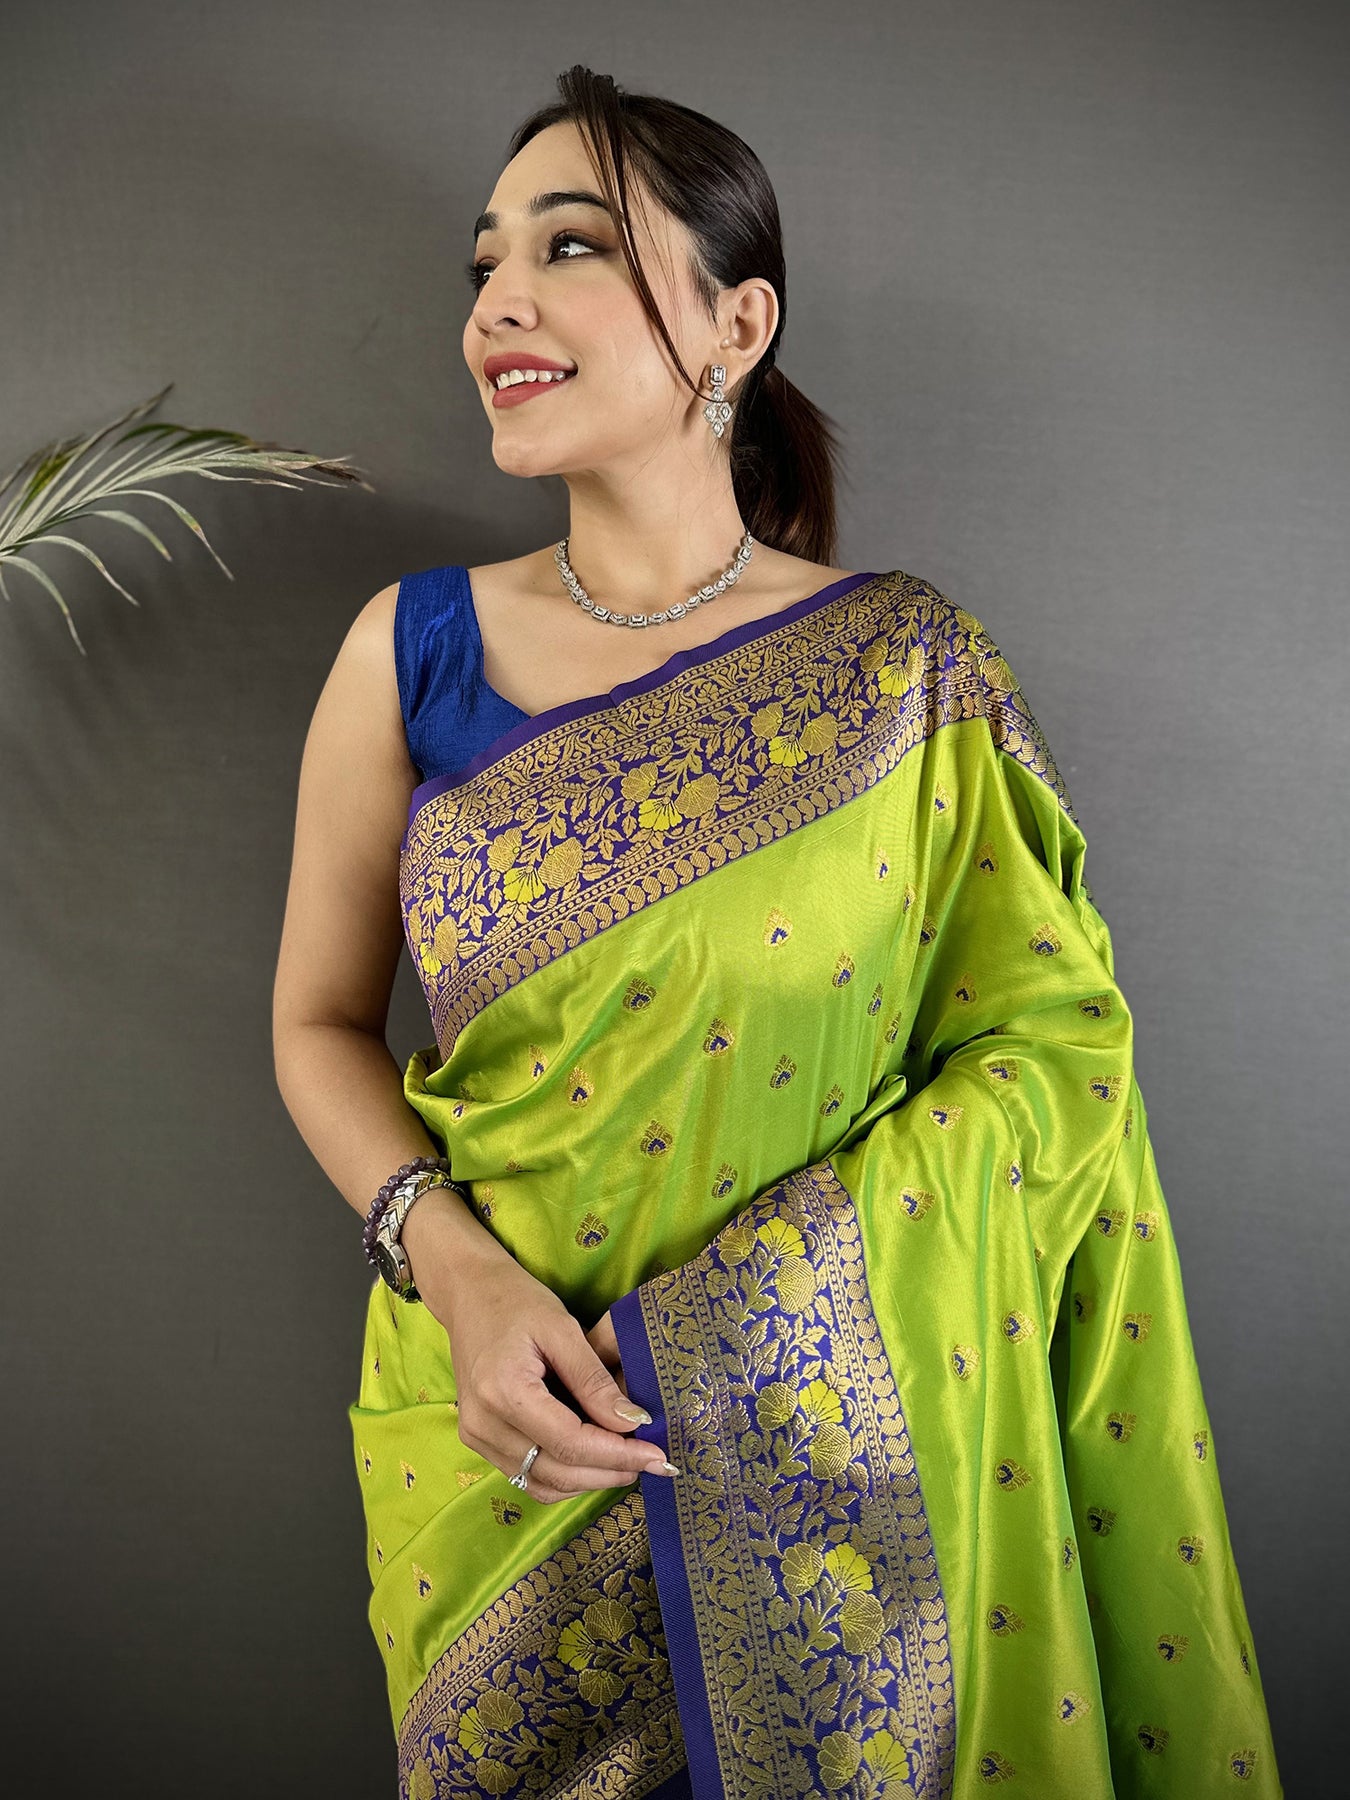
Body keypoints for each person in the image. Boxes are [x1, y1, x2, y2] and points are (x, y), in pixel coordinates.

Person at [273, 64, 1282, 1800]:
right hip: (502, 1443)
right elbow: (313, 1023)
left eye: (570, 246)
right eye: (483, 262)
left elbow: (1051, 1054)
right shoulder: (409, 651)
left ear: (736, 326)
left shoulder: (905, 674)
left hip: (849, 1482)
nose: (497, 301)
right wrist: (456, 1269)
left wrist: (752, 1319)